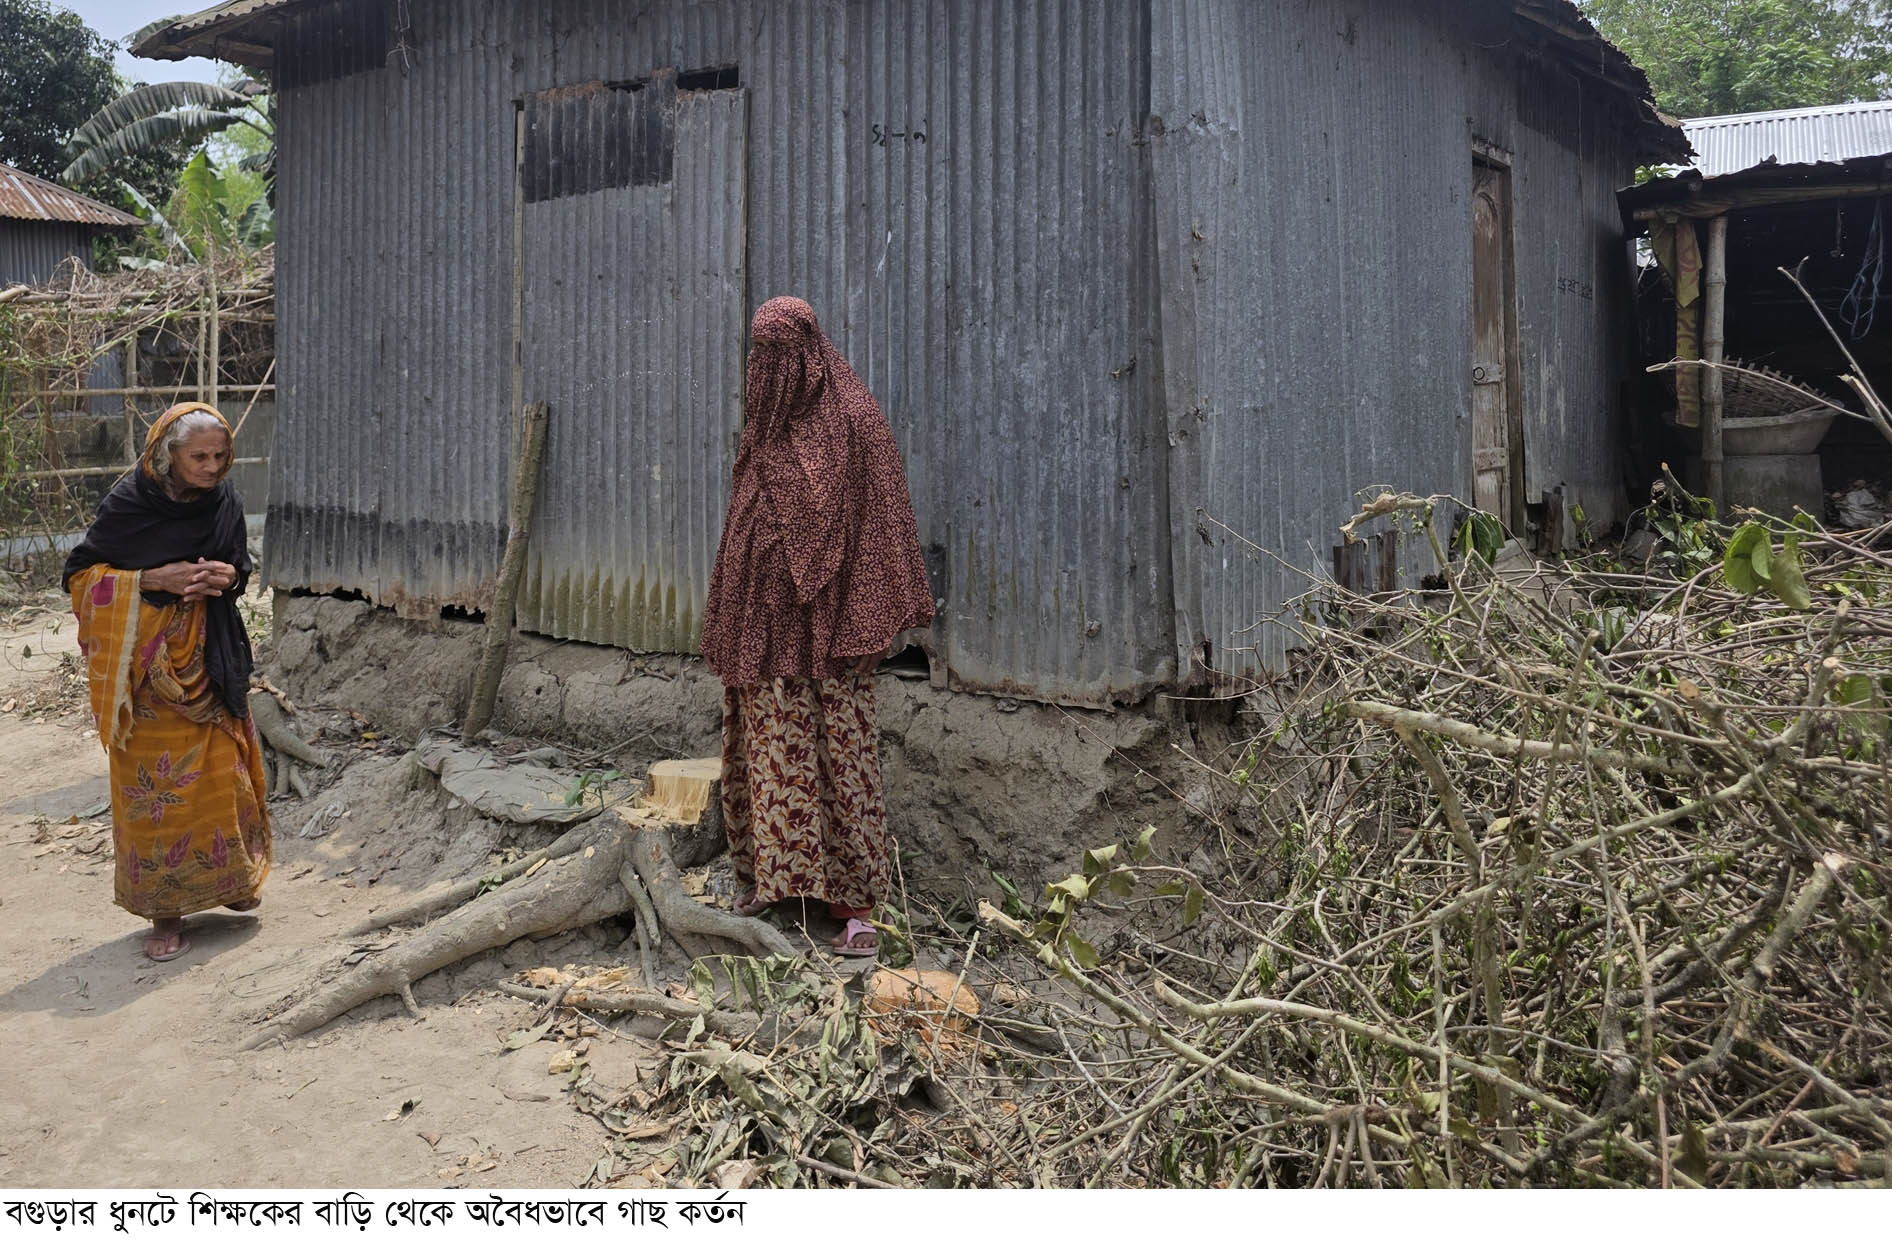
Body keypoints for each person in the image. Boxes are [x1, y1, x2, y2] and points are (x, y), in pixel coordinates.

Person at [701, 297, 934, 956]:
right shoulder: (765, 426)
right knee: (772, 755)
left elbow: (883, 529)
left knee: (838, 761)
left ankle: (855, 906)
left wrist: (863, 623)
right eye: (760, 358)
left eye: (779, 359)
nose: (767, 372)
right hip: (766, 637)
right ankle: (776, 886)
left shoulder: (855, 424)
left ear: (808, 353)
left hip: (831, 641)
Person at [63, 402, 271, 963]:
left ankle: (230, 882)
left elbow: (238, 564)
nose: (212, 466)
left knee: (221, 776)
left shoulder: (224, 500)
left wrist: (228, 576)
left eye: (220, 455)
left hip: (210, 657)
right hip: (146, 675)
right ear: (166, 455)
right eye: (199, 456)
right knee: (159, 793)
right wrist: (154, 578)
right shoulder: (130, 504)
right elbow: (81, 576)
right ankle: (165, 911)